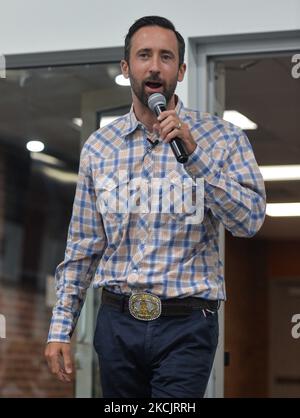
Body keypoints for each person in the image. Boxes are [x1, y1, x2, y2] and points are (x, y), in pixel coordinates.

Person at [45, 15, 266, 398]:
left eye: (166, 57)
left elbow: (249, 221)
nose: (154, 65)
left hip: (187, 325)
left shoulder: (223, 138)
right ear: (126, 67)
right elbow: (82, 248)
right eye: (144, 55)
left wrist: (196, 158)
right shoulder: (99, 147)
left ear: (180, 70)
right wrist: (60, 328)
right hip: (117, 322)